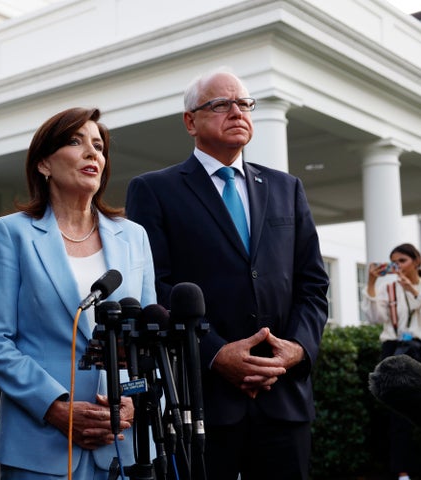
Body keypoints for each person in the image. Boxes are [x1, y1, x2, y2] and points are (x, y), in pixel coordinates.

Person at [125, 68, 329, 480]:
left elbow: (313, 284)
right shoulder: (154, 190)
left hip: (283, 397)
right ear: (190, 121)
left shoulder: (286, 188)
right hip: (202, 403)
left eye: (245, 104)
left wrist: (297, 351)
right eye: (220, 104)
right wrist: (217, 353)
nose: (237, 112)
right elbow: (155, 286)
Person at [0, 107, 157, 479]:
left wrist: (134, 404)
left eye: (98, 145)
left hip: (124, 443)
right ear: (44, 163)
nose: (93, 153)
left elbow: (150, 337)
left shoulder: (134, 236)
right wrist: (55, 406)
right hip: (40, 443)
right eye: (76, 142)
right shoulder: (12, 233)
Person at [362, 243, 421, 480]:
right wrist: (370, 283)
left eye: (402, 260)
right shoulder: (389, 288)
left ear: (416, 261)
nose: (397, 266)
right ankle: (402, 472)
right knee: (398, 414)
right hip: (394, 350)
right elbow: (374, 318)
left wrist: (414, 291)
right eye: (393, 261)